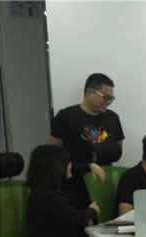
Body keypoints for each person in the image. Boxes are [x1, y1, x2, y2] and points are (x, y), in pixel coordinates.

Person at [50, 73, 124, 208]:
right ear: (90, 92)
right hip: (74, 185)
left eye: (111, 99)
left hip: (103, 184)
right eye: (105, 97)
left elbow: (118, 149)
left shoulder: (113, 118)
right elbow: (54, 154)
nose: (108, 102)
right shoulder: (66, 116)